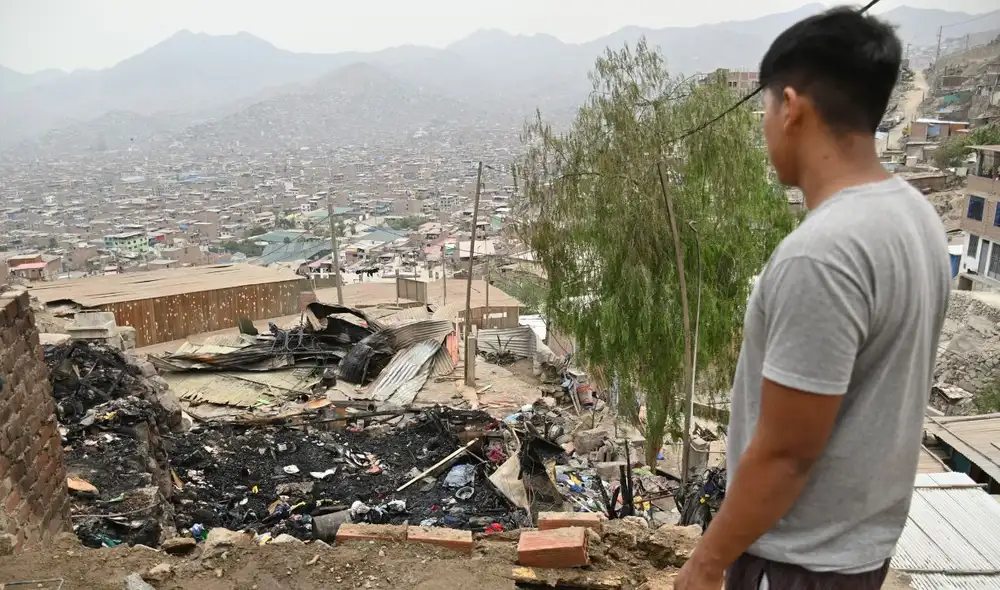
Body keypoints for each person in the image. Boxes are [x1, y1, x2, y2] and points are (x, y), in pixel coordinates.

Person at [674, 7, 950, 590]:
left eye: (765, 109)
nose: (765, 127)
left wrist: (705, 563)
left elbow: (786, 454)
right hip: (858, 553)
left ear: (791, 107)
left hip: (797, 563)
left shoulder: (821, 254)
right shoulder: (916, 217)